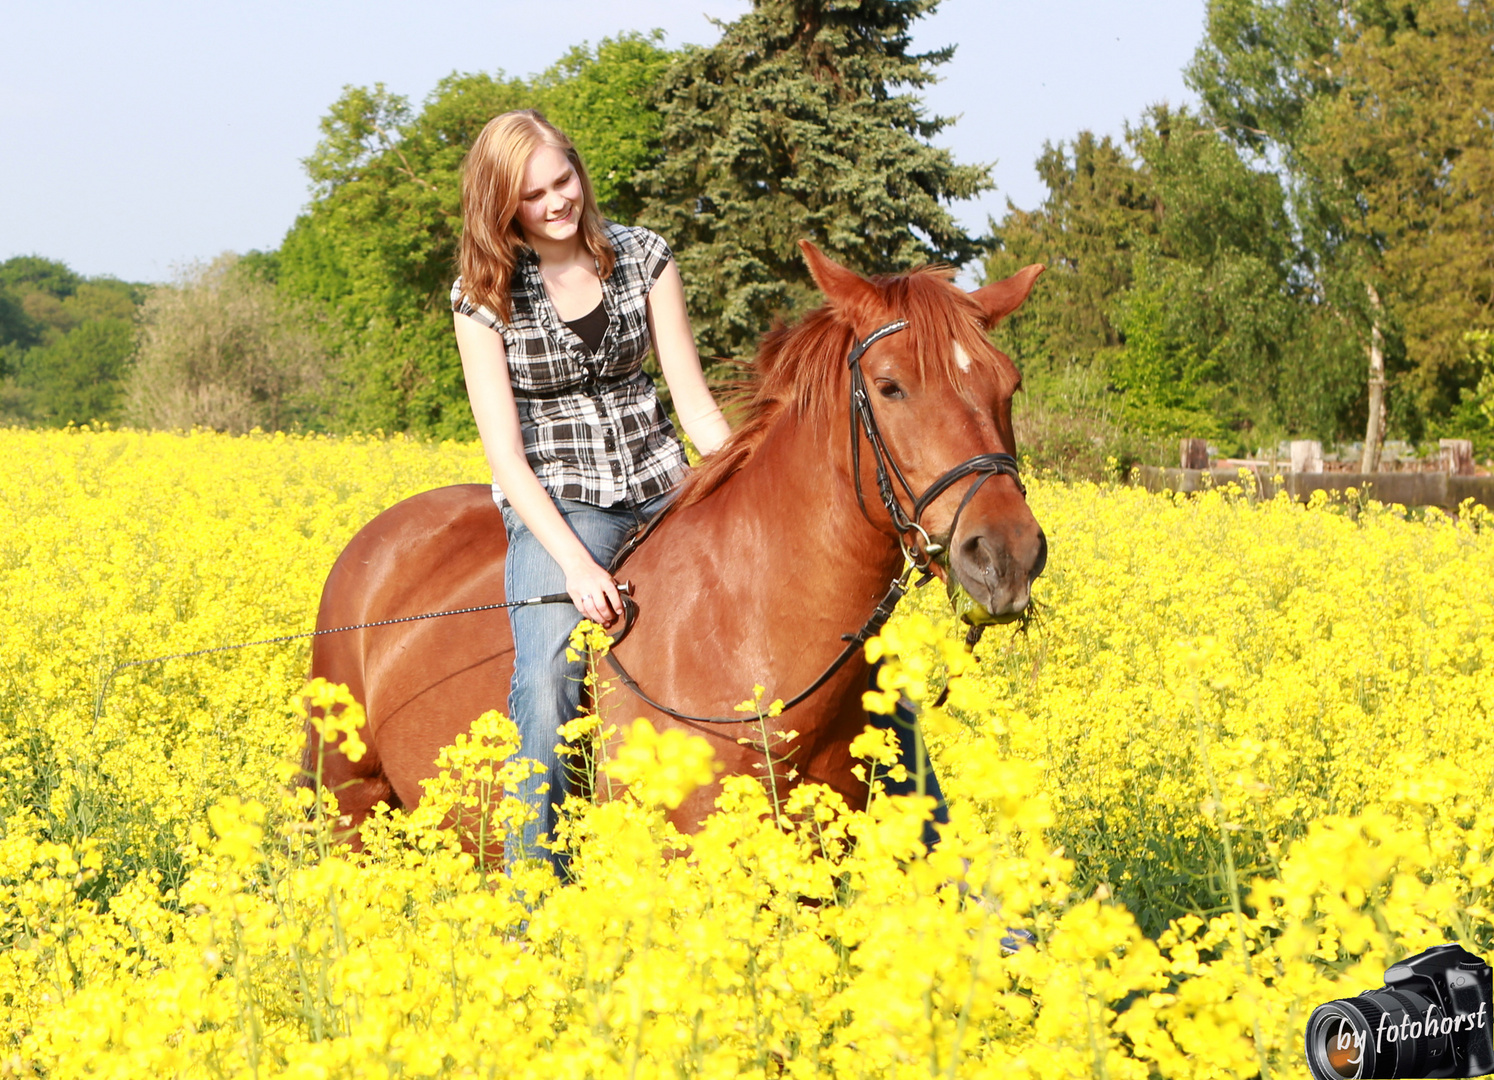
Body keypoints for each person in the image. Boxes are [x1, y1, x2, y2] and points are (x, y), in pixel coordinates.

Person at [451, 110, 731, 875]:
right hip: (563, 503)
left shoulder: (645, 256)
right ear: (503, 205)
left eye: (562, 180)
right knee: (547, 680)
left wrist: (744, 481)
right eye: (533, 194)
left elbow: (695, 405)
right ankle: (534, 891)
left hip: (665, 482)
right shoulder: (482, 298)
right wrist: (577, 567)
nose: (556, 203)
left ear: (579, 170)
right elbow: (506, 458)